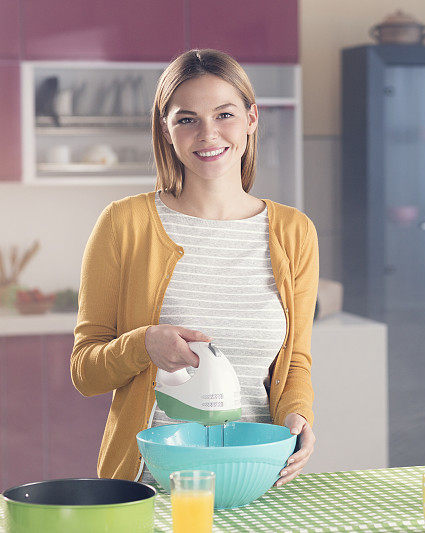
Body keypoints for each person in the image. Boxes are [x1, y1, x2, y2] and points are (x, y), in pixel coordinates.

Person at [70, 49, 318, 488]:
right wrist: (144, 344)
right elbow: (85, 372)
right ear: (165, 129)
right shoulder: (124, 224)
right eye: (186, 119)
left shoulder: (294, 232)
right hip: (152, 482)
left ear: (251, 119)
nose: (208, 134)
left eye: (225, 114)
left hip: (258, 477)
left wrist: (298, 415)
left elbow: (294, 362)